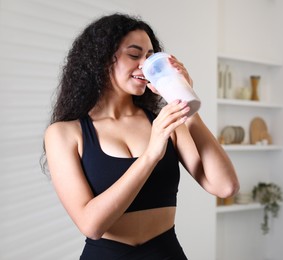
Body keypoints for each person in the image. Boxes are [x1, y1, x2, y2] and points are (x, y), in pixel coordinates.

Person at [42, 13, 239, 260]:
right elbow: (91, 226)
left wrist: (184, 99)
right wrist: (150, 156)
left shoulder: (166, 122)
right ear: (101, 60)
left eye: (149, 57)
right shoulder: (65, 133)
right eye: (134, 55)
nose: (144, 66)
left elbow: (225, 186)